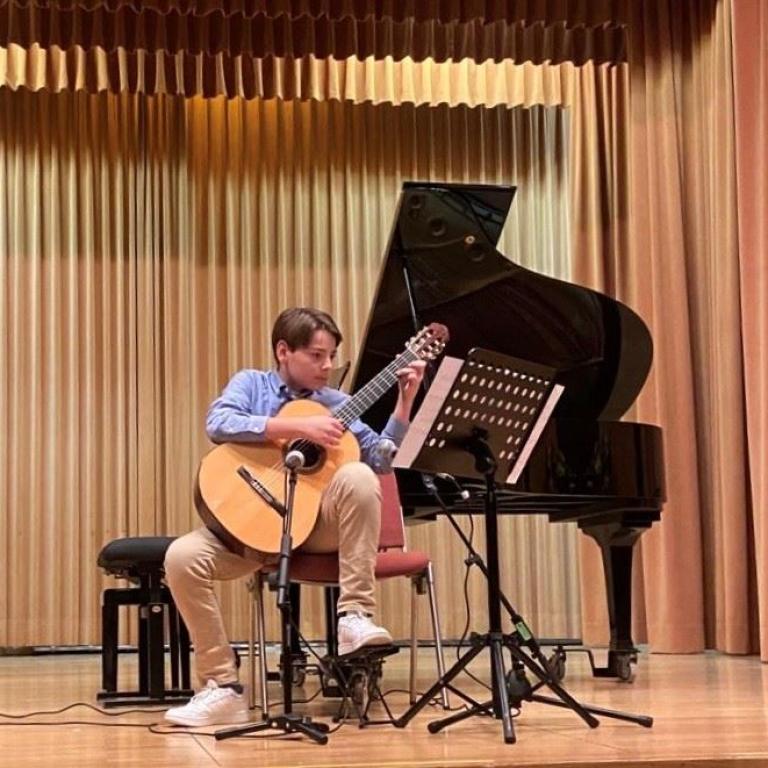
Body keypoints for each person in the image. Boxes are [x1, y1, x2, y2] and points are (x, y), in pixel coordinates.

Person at [164, 307, 426, 726]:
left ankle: (354, 617)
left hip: (313, 528)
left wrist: (404, 404)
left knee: (359, 475)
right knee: (181, 557)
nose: (327, 366)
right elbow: (219, 422)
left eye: (331, 356)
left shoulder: (338, 405)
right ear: (283, 351)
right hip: (252, 527)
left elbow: (381, 459)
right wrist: (294, 429)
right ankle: (221, 685)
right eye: (317, 355)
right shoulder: (251, 383)